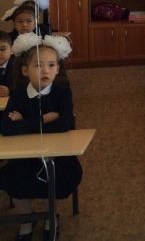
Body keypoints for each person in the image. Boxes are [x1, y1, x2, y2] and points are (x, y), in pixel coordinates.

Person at [0, 33, 81, 241]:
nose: (46, 70)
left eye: (51, 65)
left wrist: (24, 123)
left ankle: (50, 218)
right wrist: (44, 119)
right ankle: (26, 221)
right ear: (25, 70)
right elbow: (7, 127)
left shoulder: (62, 92)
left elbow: (64, 125)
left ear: (58, 69)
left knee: (51, 179)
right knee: (14, 180)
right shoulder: (19, 94)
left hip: (55, 157)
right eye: (38, 65)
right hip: (23, 157)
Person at [0, 31, 14, 97]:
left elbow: (23, 86)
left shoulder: (17, 67)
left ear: (11, 50)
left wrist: (9, 90)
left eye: (3, 49)